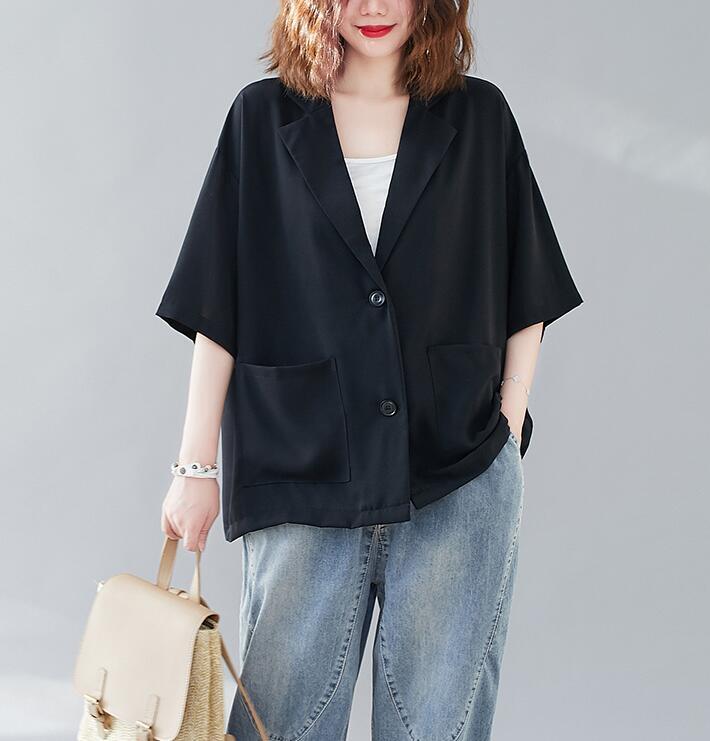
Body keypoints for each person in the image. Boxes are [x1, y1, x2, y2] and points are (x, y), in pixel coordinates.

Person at [155, 1, 584, 738]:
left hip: (457, 474)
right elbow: (216, 304)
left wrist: (508, 423)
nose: (375, 7)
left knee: (437, 725)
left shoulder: (479, 117)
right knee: (281, 722)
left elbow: (529, 285)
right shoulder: (262, 119)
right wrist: (194, 467)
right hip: (303, 468)